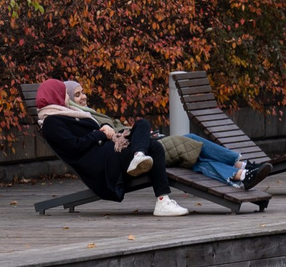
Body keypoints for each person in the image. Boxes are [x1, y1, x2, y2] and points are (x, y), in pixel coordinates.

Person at [35, 79, 189, 216]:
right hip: (103, 163)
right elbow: (75, 146)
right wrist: (101, 134)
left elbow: (94, 128)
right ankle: (162, 201)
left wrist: (106, 126)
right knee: (155, 148)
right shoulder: (51, 123)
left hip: (110, 149)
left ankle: (139, 155)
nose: (67, 97)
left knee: (142, 124)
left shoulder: (69, 113)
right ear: (56, 95)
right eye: (64, 93)